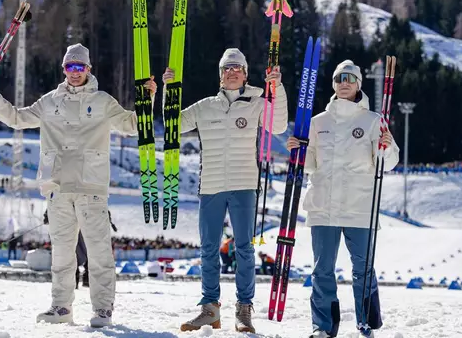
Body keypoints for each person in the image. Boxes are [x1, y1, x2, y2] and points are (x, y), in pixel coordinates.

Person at [0, 43, 156, 327]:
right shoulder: (49, 102)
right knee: (62, 253)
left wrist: (146, 99)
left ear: (89, 69)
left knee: (99, 252)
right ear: (63, 69)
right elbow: (16, 118)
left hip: (91, 188)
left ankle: (102, 310)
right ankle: (61, 307)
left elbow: (132, 125)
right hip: (58, 188)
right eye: (69, 67)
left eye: (80, 67)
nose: (74, 72)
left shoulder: (102, 101)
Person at [164, 48, 288, 334]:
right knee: (208, 248)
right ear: (220, 76)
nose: (231, 72)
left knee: (244, 248)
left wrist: (277, 87)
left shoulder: (257, 102)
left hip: (244, 185)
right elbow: (174, 124)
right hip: (211, 187)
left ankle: (244, 309)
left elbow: (278, 125)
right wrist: (170, 90)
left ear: (245, 74)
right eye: (226, 69)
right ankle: (210, 309)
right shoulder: (205, 106)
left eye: (237, 68)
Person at [287, 60, 399, 338]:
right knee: (322, 270)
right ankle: (323, 327)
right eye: (339, 78)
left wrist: (386, 148)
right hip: (323, 206)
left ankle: (366, 323)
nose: (344, 82)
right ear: (334, 84)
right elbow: (310, 163)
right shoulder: (318, 122)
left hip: (359, 208)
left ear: (359, 83)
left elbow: (389, 161)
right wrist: (296, 151)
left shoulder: (373, 121)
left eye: (350, 78)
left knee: (363, 268)